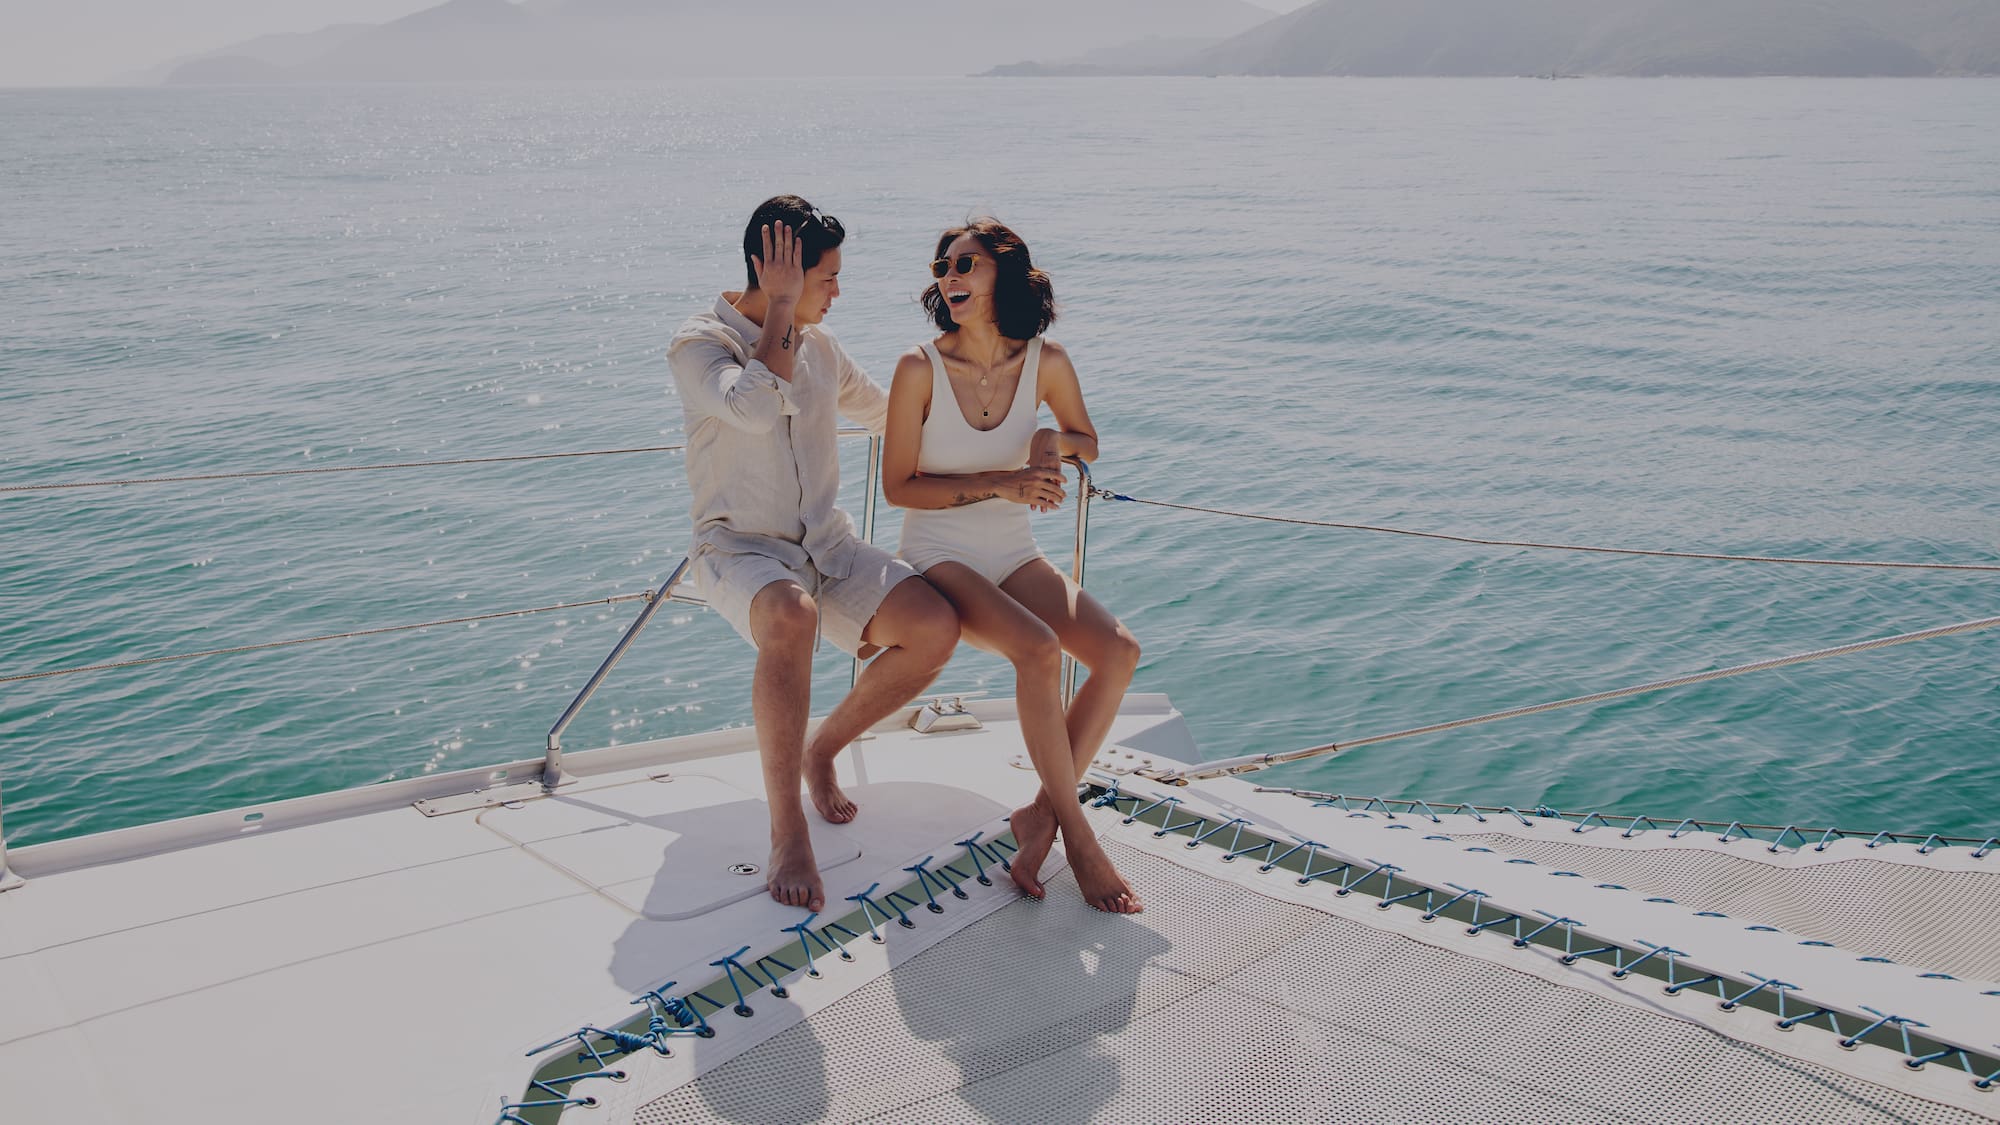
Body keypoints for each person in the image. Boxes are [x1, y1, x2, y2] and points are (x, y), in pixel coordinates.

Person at [669, 195, 960, 914]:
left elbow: (891, 410)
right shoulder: (699, 345)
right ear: (783, 279)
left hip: (826, 545)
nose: (837, 292)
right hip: (739, 551)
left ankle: (820, 749)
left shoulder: (823, 347)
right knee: (791, 616)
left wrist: (999, 429)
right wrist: (778, 312)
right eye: (826, 278)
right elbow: (752, 407)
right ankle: (786, 826)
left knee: (935, 629)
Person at [881, 218, 1144, 914]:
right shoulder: (918, 368)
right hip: (939, 553)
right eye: (943, 267)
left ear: (1005, 272)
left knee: (1118, 652)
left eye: (965, 264)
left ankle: (1041, 814)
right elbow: (898, 486)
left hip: (1013, 552)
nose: (950, 277)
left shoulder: (1045, 362)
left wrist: (1052, 439)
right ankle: (1078, 835)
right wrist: (1003, 479)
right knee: (1038, 650)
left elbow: (1089, 438)